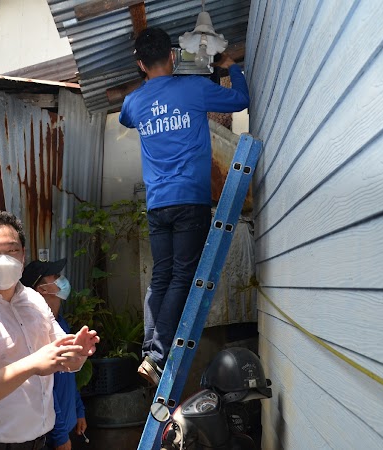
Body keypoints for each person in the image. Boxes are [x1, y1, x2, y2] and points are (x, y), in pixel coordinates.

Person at [119, 27, 250, 385]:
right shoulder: (192, 90)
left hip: (157, 203)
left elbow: (125, 117)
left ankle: (151, 352)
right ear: (173, 57)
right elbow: (239, 100)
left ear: (141, 64)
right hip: (190, 199)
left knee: (161, 276)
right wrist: (230, 65)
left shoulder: (134, 102)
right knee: (181, 276)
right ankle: (158, 354)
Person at [0, 211, 99, 450]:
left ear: (22, 255)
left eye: (12, 251)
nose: (4, 259)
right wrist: (32, 364)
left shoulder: (33, 298)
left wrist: (79, 352)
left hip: (42, 440)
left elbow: (65, 360)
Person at [22, 258, 87, 450]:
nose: (62, 280)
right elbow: (45, 390)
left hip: (66, 426)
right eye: (56, 276)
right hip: (50, 437)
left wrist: (78, 410)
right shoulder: (37, 331)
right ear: (42, 289)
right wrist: (59, 436)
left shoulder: (60, 323)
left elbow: (68, 373)